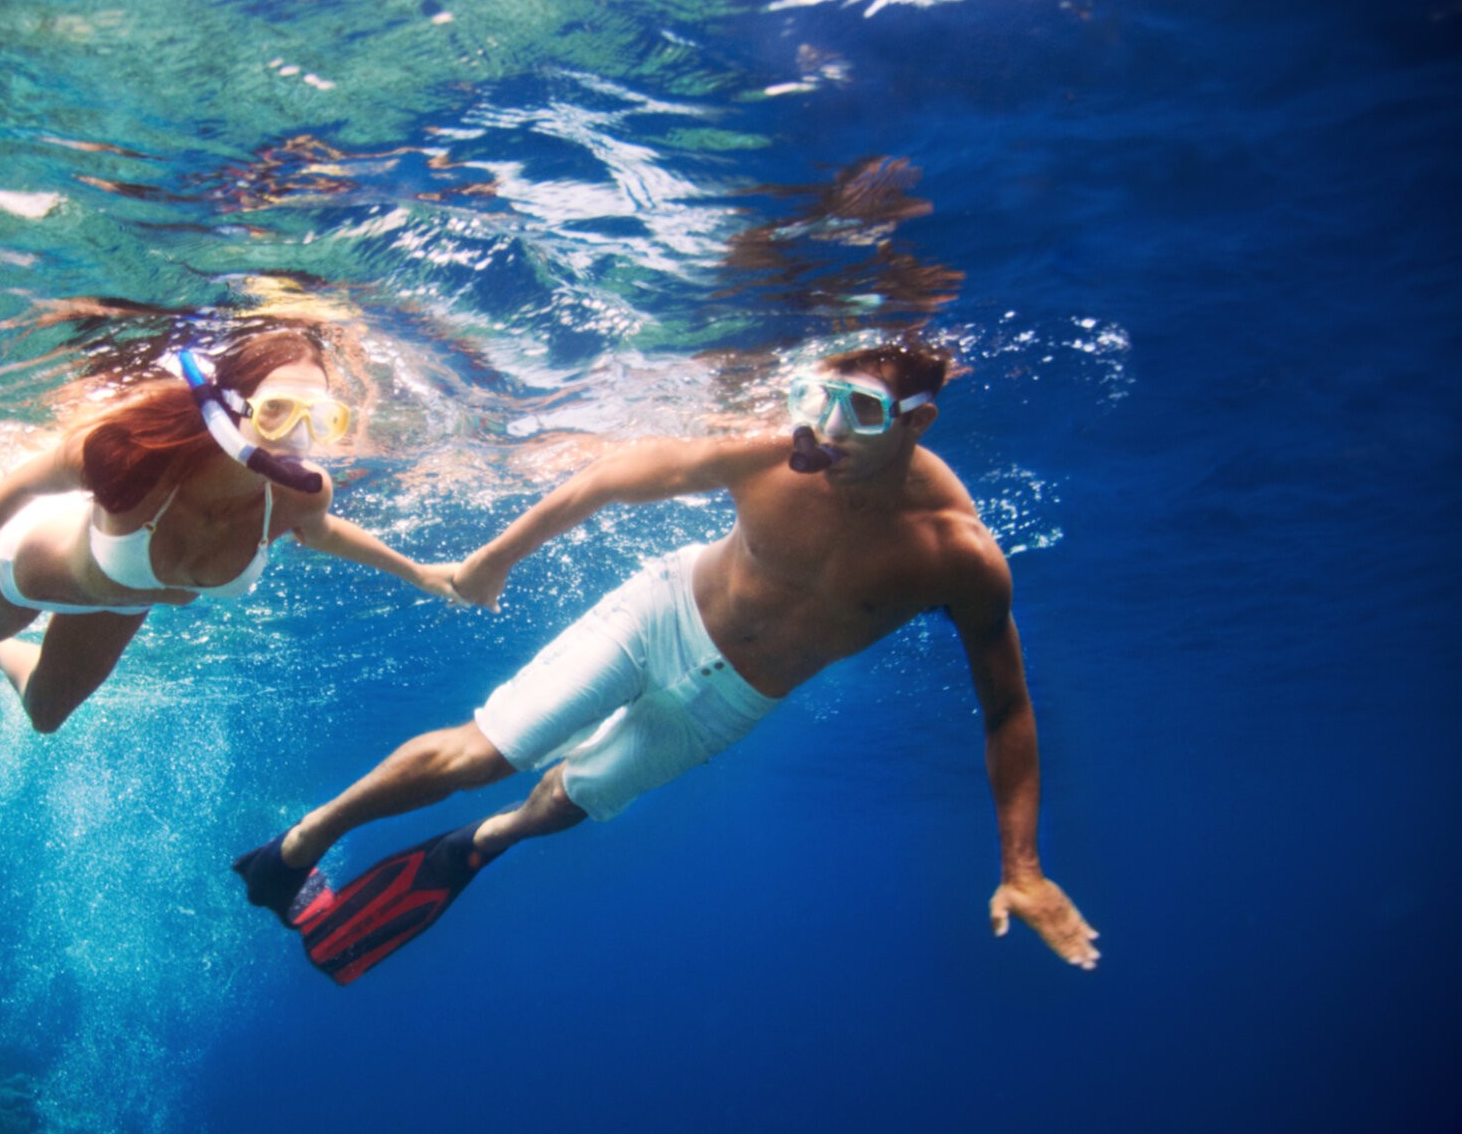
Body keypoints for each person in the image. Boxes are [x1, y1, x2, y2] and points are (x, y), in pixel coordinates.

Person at [233, 339, 1100, 984]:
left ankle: (482, 843)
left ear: (918, 423)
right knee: (481, 752)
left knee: (573, 796)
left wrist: (1020, 863)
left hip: (736, 701)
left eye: (862, 412)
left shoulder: (958, 554)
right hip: (661, 612)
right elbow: (613, 477)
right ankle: (294, 850)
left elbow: (1006, 708)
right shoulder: (772, 458)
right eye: (819, 396)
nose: (827, 427)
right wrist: (498, 556)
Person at [0, 320, 467, 831]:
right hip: (30, 571)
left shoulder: (300, 495)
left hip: (115, 602)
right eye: (278, 413)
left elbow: (324, 533)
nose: (299, 439)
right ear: (229, 407)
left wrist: (417, 573)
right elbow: (21, 484)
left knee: (46, 715)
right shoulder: (132, 451)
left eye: (321, 419)